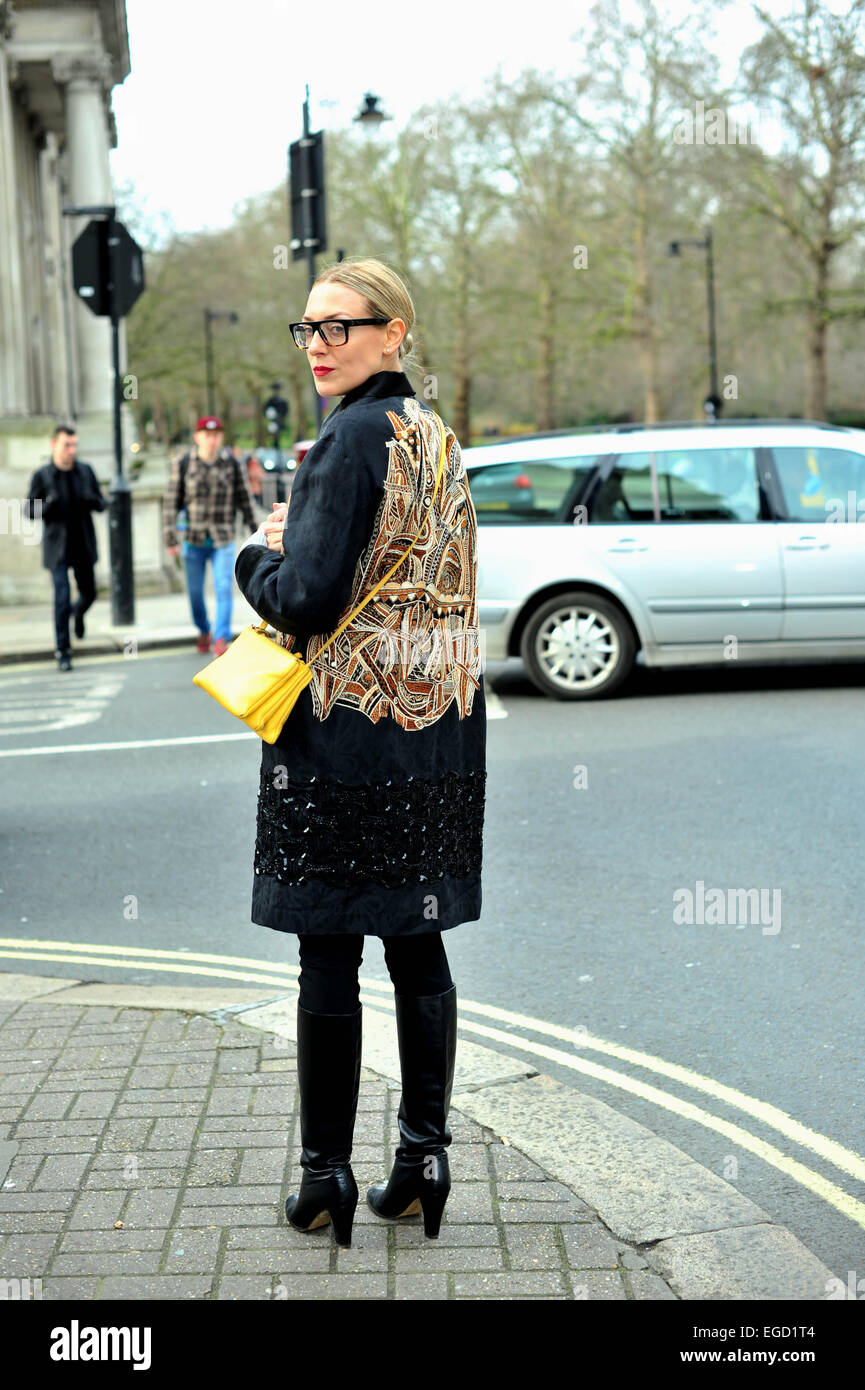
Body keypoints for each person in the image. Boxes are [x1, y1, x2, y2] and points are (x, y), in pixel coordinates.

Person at [234, 257, 486, 1249]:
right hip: (432, 740)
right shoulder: (436, 437)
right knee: (415, 941)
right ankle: (424, 1157)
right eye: (309, 328)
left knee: (330, 948)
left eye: (343, 326)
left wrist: (259, 554)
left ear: (394, 333)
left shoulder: (344, 441)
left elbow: (303, 599)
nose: (321, 345)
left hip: (344, 739)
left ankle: (323, 1174)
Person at [163, 416, 260, 656]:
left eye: (216, 435)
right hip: (192, 540)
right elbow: (170, 503)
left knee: (223, 587)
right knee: (195, 594)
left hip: (223, 538)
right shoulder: (184, 463)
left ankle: (220, 637)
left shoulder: (233, 464)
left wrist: (256, 531)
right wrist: (170, 538)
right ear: (197, 437)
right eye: (207, 435)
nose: (212, 440)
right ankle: (204, 628)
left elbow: (245, 500)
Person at [23, 424, 107, 672]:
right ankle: (63, 651)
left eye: (74, 445)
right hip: (57, 548)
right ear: (54, 445)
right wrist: (47, 504)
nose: (71, 450)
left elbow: (102, 502)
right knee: (61, 597)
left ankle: (77, 614)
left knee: (90, 594)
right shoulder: (43, 476)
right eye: (66, 445)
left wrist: (94, 501)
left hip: (83, 544)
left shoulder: (85, 471)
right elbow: (28, 510)